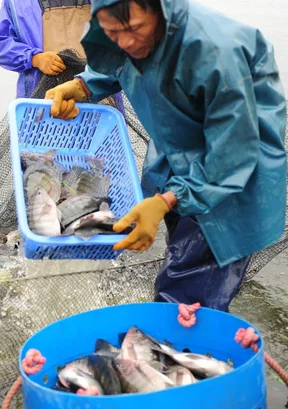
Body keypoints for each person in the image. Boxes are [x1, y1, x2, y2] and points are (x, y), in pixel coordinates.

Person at [45, 0, 287, 312]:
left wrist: (163, 202)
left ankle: (191, 346)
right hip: (175, 159)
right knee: (179, 263)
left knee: (186, 302)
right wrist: (80, 86)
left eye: (136, 29)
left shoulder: (216, 54)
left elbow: (234, 155)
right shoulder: (123, 29)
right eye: (114, 32)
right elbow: (116, 59)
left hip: (230, 188)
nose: (127, 42)